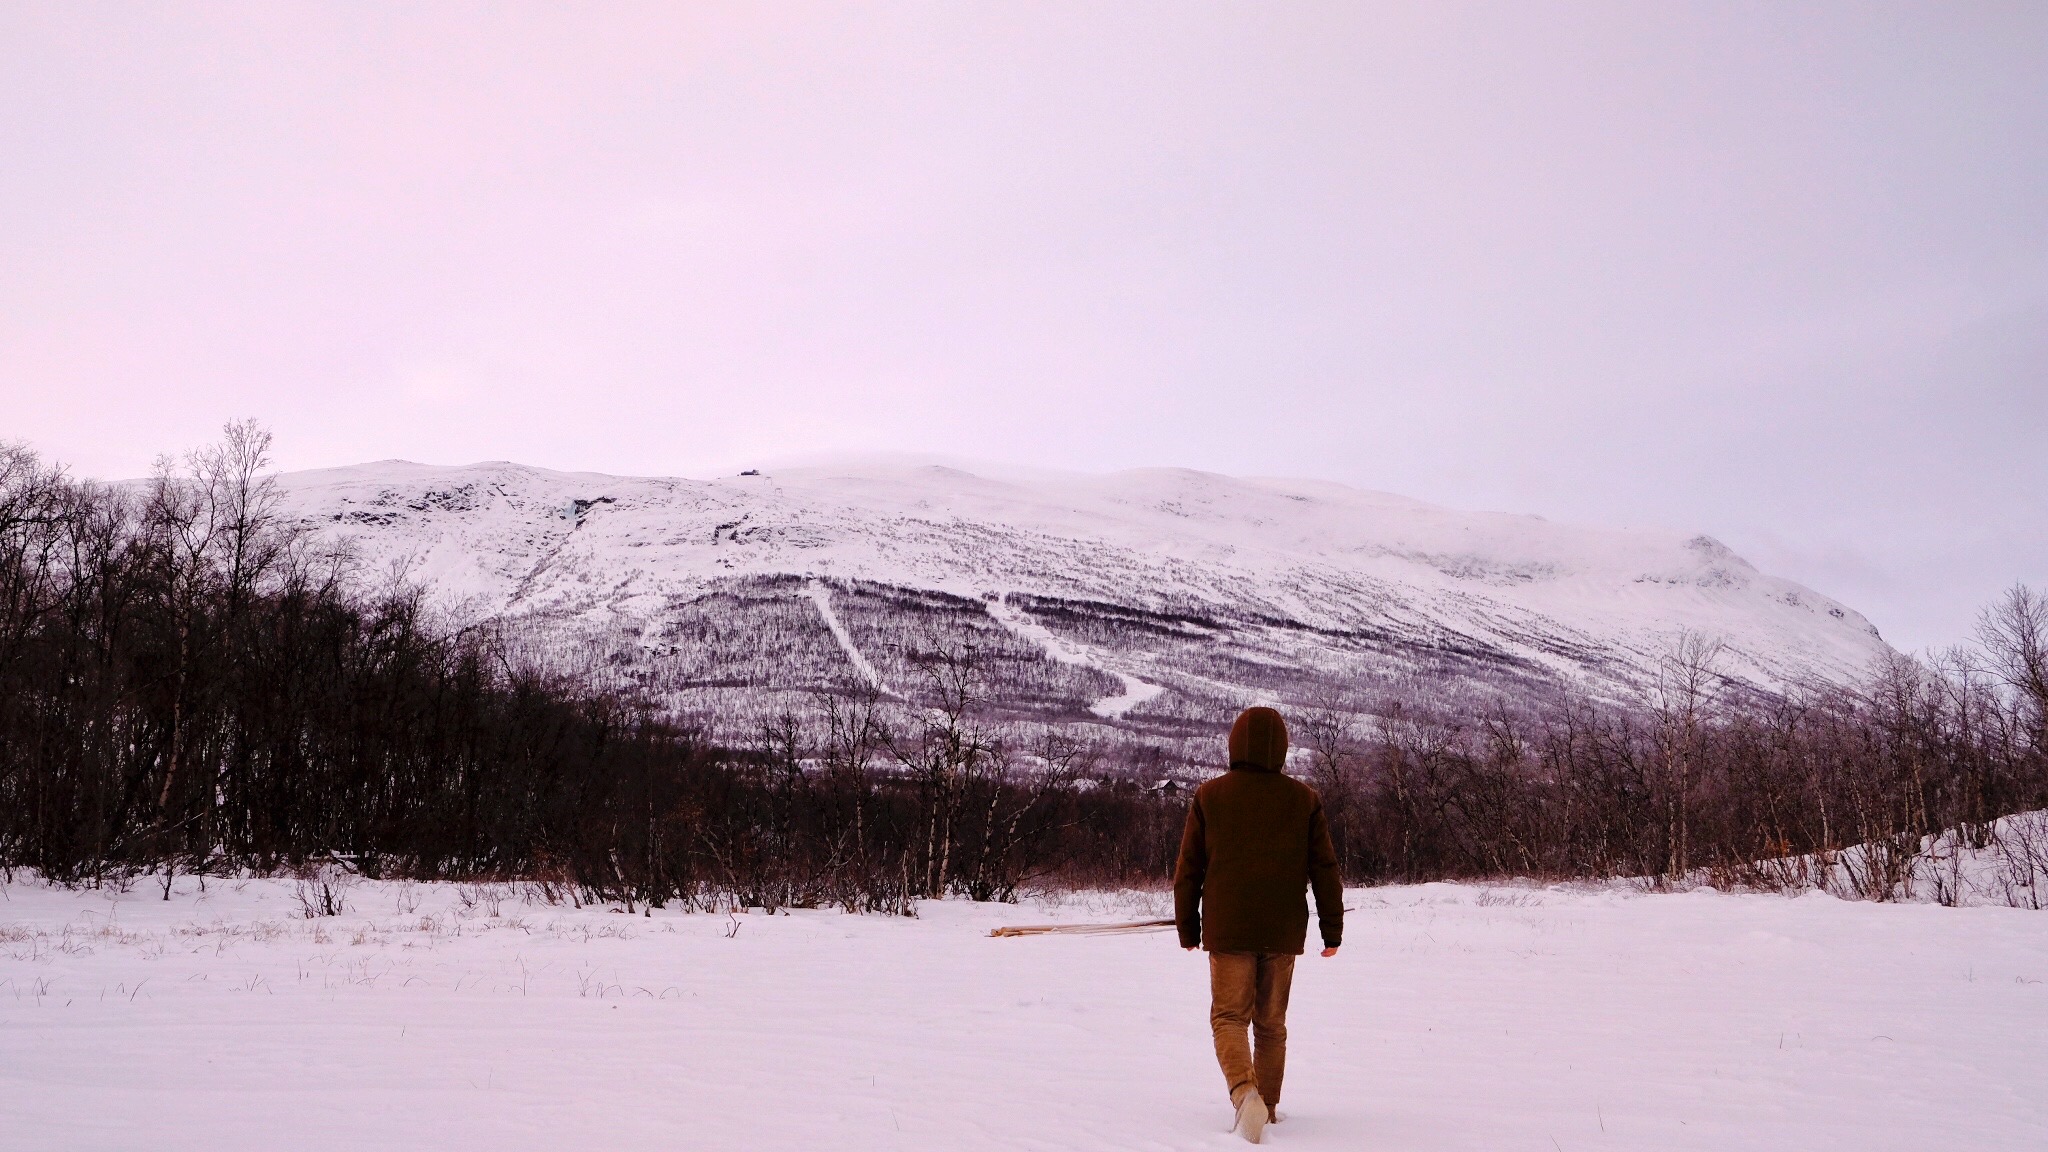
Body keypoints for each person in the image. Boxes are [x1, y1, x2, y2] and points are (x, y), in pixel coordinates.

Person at [1173, 706, 1343, 1144]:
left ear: (1234, 744)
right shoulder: (1303, 799)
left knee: (1229, 1017)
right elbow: (1325, 868)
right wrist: (1331, 930)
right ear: (1282, 748)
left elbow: (1188, 870)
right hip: (1283, 929)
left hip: (1228, 929)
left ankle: (1245, 1094)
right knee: (1271, 1024)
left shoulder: (1210, 795)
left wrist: (1188, 929)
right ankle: (1265, 1109)